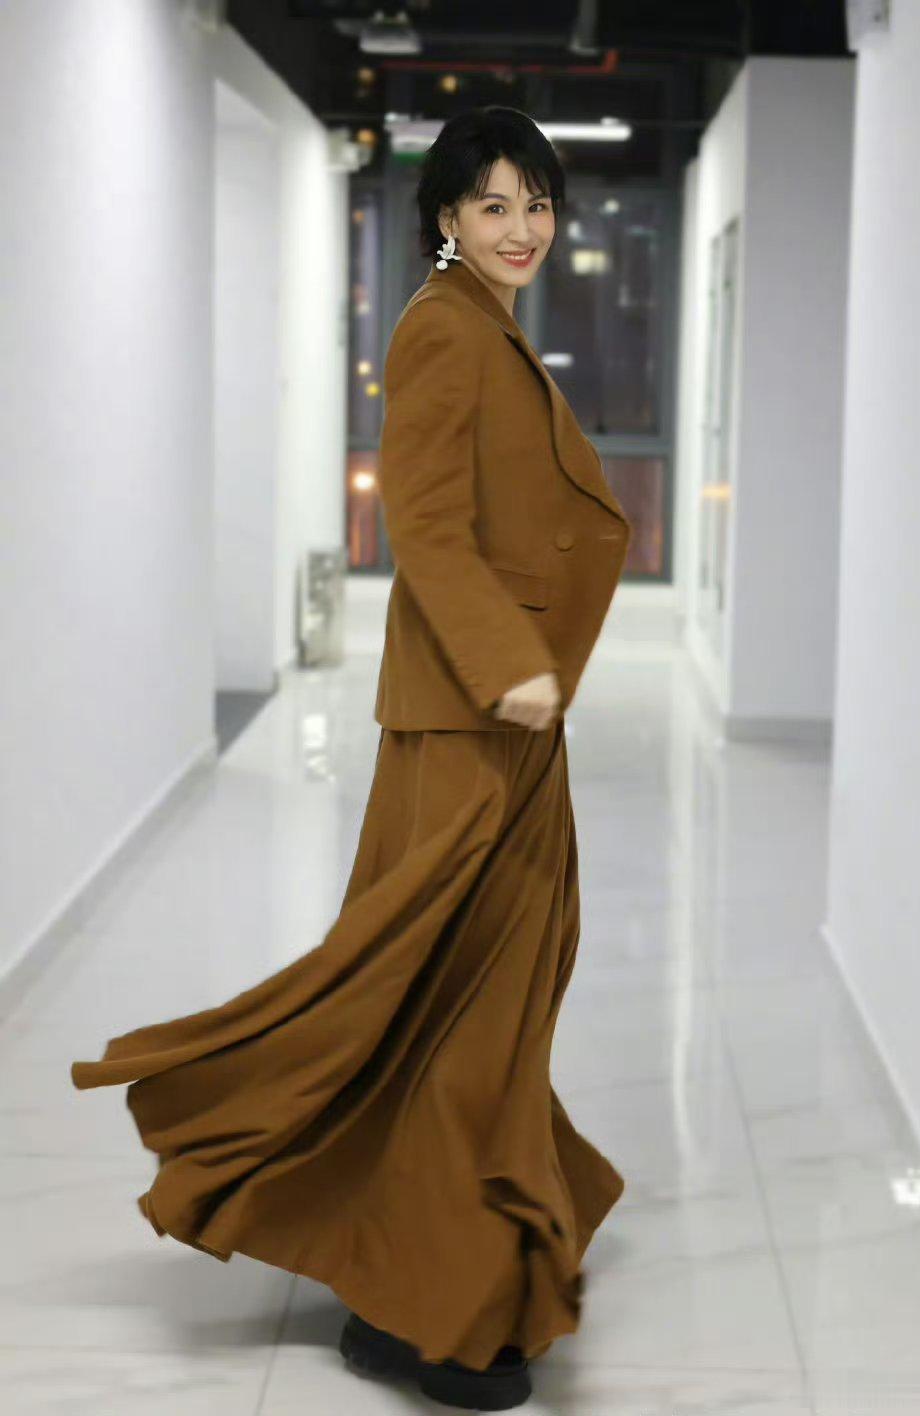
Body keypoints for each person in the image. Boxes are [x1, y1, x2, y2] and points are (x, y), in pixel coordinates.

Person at [70, 105, 633, 1412]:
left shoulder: (486, 324)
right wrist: (505, 662)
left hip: (507, 719)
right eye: (493, 205)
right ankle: (424, 1305)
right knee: (452, 1007)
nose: (523, 228)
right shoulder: (442, 329)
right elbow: (421, 524)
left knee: (480, 996)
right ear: (446, 218)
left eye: (537, 203)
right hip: (469, 720)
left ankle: (436, 1260)